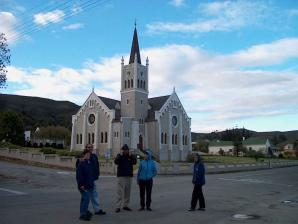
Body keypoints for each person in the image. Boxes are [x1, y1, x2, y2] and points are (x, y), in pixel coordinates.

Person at [114, 144, 137, 213]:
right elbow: (116, 162)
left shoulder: (130, 156)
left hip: (129, 176)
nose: (126, 151)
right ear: (122, 150)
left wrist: (131, 156)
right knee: (120, 192)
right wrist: (120, 155)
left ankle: (125, 205)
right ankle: (118, 206)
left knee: (127, 192)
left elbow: (135, 162)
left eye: (127, 150)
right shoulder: (119, 156)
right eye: (124, 150)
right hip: (121, 176)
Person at [85, 144, 106, 215]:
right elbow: (79, 167)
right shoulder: (84, 156)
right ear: (86, 148)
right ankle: (85, 210)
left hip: (92, 178)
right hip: (86, 179)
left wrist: (97, 174)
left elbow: (96, 166)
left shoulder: (94, 156)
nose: (90, 148)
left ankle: (97, 210)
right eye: (88, 147)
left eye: (91, 147)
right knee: (86, 195)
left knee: (94, 194)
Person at [76, 150, 94, 221]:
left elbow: (90, 174)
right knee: (85, 199)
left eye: (89, 155)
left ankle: (84, 211)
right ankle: (82, 214)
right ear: (84, 155)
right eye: (87, 154)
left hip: (88, 184)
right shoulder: (81, 163)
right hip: (83, 185)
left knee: (85, 199)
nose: (88, 156)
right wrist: (81, 185)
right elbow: (79, 175)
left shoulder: (89, 163)